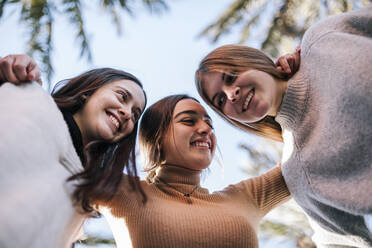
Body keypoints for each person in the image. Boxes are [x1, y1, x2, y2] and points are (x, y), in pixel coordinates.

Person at [195, 7, 372, 248]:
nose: (231, 94)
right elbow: (339, 242)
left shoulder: (320, 41)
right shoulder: (299, 169)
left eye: (231, 76)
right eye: (220, 101)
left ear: (253, 61)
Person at [95, 94, 290, 248]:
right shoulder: (123, 192)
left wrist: (287, 78)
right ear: (156, 139)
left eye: (210, 124)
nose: (206, 129)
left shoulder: (246, 198)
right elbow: (69, 149)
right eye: (188, 121)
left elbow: (307, 158)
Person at [0, 55, 147, 248]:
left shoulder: (85, 194)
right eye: (122, 96)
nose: (127, 113)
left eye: (135, 114)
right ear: (89, 91)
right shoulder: (30, 100)